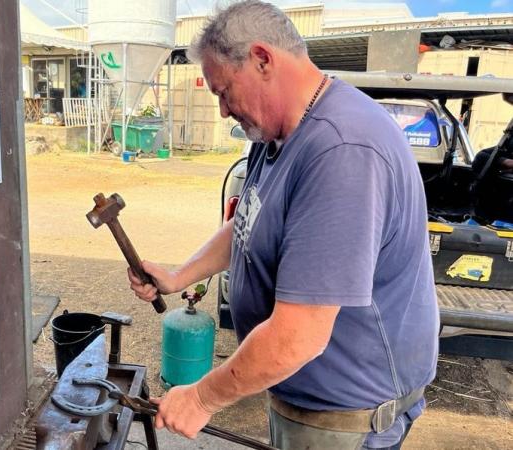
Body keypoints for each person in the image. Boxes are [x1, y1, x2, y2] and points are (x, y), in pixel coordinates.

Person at [127, 1, 439, 449]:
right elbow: (247, 226)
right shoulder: (274, 133)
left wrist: (201, 397)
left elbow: (298, 336)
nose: (221, 111)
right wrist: (179, 275)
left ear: (262, 60)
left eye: (223, 92)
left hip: (347, 417)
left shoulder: (341, 151)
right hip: (301, 396)